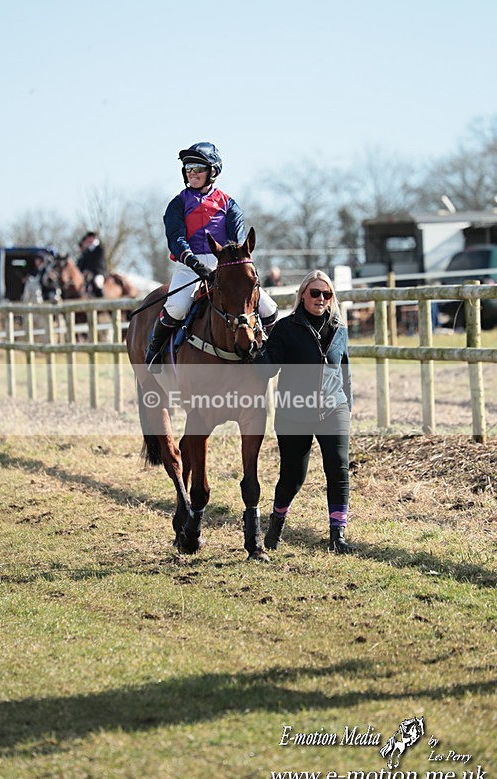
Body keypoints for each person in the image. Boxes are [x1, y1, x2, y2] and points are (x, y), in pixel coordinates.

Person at [144, 141, 278, 371]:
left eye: (198, 168)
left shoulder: (229, 204)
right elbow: (176, 238)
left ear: (213, 171)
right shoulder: (177, 204)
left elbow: (237, 241)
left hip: (226, 266)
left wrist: (228, 264)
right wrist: (194, 262)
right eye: (188, 169)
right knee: (176, 307)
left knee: (270, 309)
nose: (192, 173)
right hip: (189, 267)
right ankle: (154, 352)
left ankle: (268, 352)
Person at [255, 270, 356, 554]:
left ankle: (338, 536)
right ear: (302, 295)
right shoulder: (286, 328)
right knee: (292, 477)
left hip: (333, 409)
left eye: (326, 294)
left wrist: (347, 405)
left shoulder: (340, 329)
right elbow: (269, 368)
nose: (321, 299)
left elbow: (344, 371)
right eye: (314, 293)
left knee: (338, 470)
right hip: (294, 412)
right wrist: (258, 352)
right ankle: (276, 526)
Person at [77, 231, 106, 297]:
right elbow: (85, 263)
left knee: (97, 282)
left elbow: (97, 262)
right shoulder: (87, 251)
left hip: (98, 272)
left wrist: (90, 270)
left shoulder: (100, 249)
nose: (88, 240)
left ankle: (102, 300)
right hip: (88, 273)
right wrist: (83, 271)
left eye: (89, 238)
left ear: (93, 238)